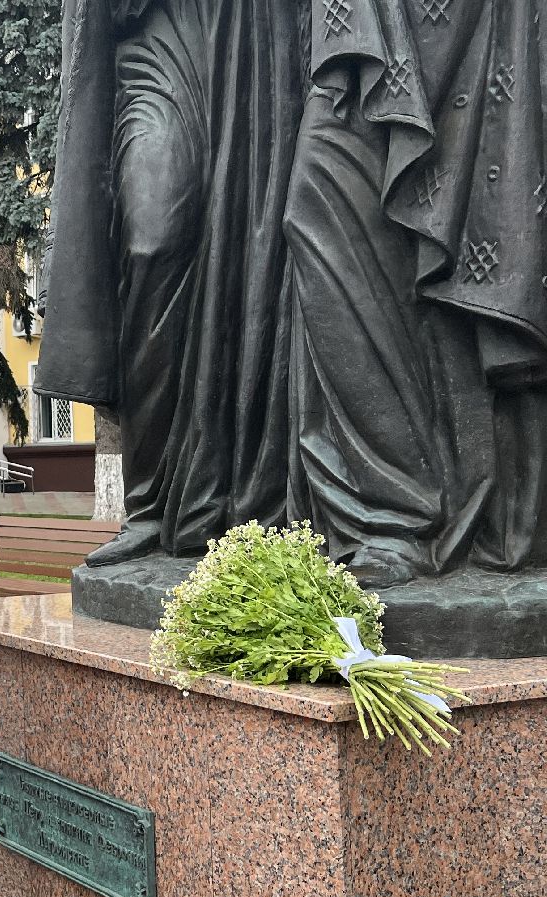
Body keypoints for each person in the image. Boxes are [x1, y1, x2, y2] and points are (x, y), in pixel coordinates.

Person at [282, 0, 547, 583]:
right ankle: (389, 507)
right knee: (313, 203)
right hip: (357, 27)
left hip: (465, 30)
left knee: (446, 261)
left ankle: (421, 510)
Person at [35, 0, 302, 565]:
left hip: (254, 38)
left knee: (254, 258)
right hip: (157, 40)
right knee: (151, 243)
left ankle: (246, 498)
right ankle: (150, 501)